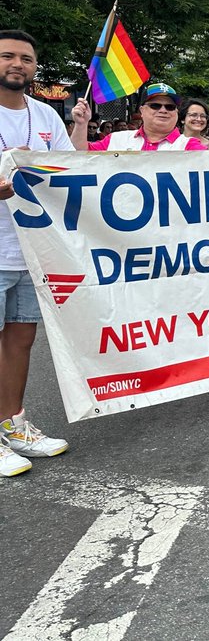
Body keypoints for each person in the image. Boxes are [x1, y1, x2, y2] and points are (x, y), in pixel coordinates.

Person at [0, 30, 72, 477]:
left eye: (26, 58)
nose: (17, 64)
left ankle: (14, 424)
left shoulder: (46, 114)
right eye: (7, 56)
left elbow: (68, 168)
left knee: (20, 341)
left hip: (29, 252)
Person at [72, 82, 209, 151]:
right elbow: (79, 156)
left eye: (170, 107)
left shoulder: (189, 146)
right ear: (142, 110)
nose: (163, 110)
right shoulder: (116, 140)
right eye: (155, 105)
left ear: (177, 113)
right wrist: (81, 124)